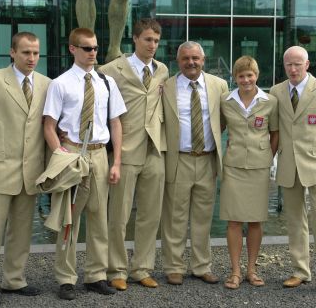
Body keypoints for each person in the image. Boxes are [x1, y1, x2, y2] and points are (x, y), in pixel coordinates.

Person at [43, 27, 126, 300]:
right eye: (87, 48)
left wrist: (117, 163)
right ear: (73, 49)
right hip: (73, 154)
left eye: (95, 48)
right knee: (69, 221)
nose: (93, 53)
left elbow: (115, 122)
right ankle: (66, 278)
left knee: (100, 219)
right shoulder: (60, 84)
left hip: (101, 154)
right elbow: (49, 126)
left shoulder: (107, 83)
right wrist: (62, 156)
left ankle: (96, 276)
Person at [0, 32, 51, 307]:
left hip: (30, 172)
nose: (32, 58)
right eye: (26, 52)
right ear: (12, 52)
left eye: (36, 53)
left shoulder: (46, 85)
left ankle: (14, 279)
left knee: (22, 230)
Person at [99, 18, 169, 290]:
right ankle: (116, 268)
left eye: (156, 41)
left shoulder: (162, 70)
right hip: (124, 152)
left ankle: (142, 268)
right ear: (136, 39)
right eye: (148, 39)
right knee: (118, 216)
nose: (153, 45)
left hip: (155, 151)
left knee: (151, 216)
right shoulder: (110, 70)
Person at [270, 46, 316, 296]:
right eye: (288, 64)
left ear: (307, 64)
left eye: (297, 64)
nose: (293, 69)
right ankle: (300, 271)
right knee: (294, 221)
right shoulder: (276, 92)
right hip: (289, 166)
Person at [161, 41, 228, 286]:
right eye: (186, 58)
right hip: (179, 159)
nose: (191, 62)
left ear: (203, 59)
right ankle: (174, 267)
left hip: (207, 159)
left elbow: (223, 119)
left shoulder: (219, 85)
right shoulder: (166, 87)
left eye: (195, 58)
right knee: (175, 217)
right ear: (178, 61)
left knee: (203, 217)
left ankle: (201, 266)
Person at [219, 56, 278, 289]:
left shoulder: (270, 101)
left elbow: (275, 133)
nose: (246, 80)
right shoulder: (225, 101)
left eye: (250, 75)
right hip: (233, 165)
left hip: (259, 166)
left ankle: (251, 270)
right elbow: (217, 127)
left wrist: (267, 157)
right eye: (241, 76)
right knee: (234, 220)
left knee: (255, 220)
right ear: (235, 78)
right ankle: (235, 271)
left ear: (257, 75)